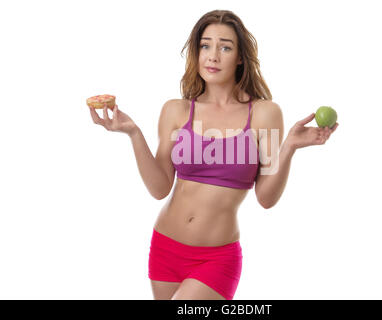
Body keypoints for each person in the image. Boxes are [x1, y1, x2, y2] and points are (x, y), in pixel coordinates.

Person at [87, 9, 338, 300]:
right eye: (205, 45)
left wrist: (290, 147)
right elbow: (159, 188)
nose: (213, 56)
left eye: (225, 47)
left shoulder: (264, 114)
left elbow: (266, 198)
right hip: (165, 247)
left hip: (216, 259)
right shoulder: (176, 110)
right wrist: (133, 133)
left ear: (241, 57)